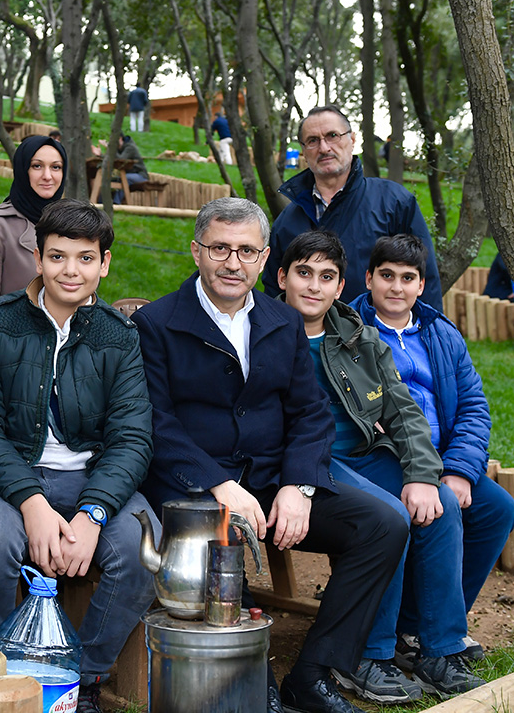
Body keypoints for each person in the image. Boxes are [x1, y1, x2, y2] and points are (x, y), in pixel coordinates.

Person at [133, 197, 408, 713]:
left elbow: (311, 415)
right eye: (219, 248)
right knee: (218, 539)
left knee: (382, 525)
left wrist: (298, 486)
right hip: (192, 488)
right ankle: (246, 672)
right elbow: (155, 420)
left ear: (263, 261)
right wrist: (218, 484)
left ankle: (313, 672)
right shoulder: (157, 322)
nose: (232, 263)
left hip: (271, 480)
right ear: (196, 251)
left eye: (245, 251)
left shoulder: (282, 320)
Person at [0, 199, 157, 713]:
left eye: (85, 258)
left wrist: (92, 513)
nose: (71, 270)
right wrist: (31, 502)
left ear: (104, 263)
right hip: (9, 477)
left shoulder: (120, 335)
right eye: (58, 256)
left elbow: (132, 437)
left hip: (91, 478)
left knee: (142, 551)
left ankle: (78, 679)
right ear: (38, 259)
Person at [277, 230, 484, 703]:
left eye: (326, 277)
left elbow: (404, 411)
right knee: (386, 516)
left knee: (441, 506)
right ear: (282, 276)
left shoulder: (357, 335)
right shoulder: (266, 330)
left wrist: (421, 475)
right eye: (303, 273)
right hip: (314, 461)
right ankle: (369, 654)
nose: (313, 286)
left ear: (340, 284)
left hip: (366, 452)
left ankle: (439, 647)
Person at [351, 234, 514, 671]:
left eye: (408, 278)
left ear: (422, 285)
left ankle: (421, 623)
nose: (397, 288)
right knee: (430, 510)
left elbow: (474, 408)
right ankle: (421, 634)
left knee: (497, 509)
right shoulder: (350, 332)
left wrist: (460, 470)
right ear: (369, 279)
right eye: (387, 276)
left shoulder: (441, 333)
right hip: (387, 459)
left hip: (443, 460)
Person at [263, 105, 442, 310]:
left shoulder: (394, 203)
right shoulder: (288, 222)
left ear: (352, 140)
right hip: (304, 339)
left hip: (378, 338)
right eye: (313, 141)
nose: (324, 148)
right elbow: (273, 294)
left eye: (332, 136)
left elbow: (424, 277)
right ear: (303, 151)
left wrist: (428, 336)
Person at [0, 135, 66, 311]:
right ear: (22, 170)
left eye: (56, 167)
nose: (47, 176)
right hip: (12, 337)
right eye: (37, 166)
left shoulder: (74, 224)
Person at [115, 133, 149, 203]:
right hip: (129, 175)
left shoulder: (130, 147)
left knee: (125, 178)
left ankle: (116, 203)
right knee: (113, 179)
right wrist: (100, 155)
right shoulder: (119, 149)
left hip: (140, 176)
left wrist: (112, 149)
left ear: (120, 138)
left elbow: (121, 160)